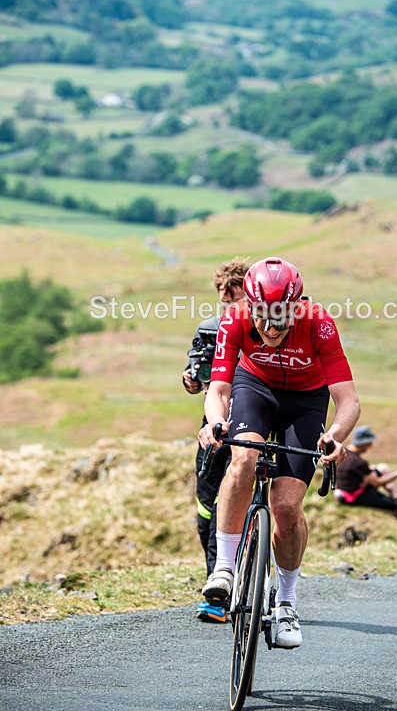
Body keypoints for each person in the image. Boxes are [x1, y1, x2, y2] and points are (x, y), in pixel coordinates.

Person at [198, 256, 360, 649]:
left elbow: (349, 400)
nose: (271, 328)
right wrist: (216, 422)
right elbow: (218, 390)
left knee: (286, 507)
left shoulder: (318, 322)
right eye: (263, 316)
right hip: (255, 388)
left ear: (296, 307)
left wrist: (336, 436)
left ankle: (286, 601)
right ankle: (224, 570)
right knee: (244, 458)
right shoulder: (234, 319)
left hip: (306, 401)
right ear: (248, 306)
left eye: (282, 316)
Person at [182, 257, 249, 623]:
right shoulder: (208, 328)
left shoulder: (262, 329)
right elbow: (195, 373)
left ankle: (222, 594)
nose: (225, 296)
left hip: (253, 426)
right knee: (206, 510)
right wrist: (190, 381)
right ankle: (219, 581)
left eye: (232, 288)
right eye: (220, 289)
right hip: (213, 427)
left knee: (236, 504)